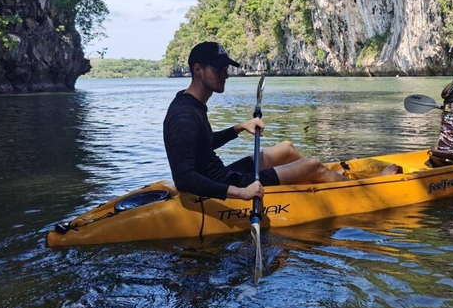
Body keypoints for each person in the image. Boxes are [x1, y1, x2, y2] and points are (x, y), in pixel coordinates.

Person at [164, 42, 400, 202]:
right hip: (225, 184)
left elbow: (203, 144)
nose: (225, 74)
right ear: (198, 70)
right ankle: (365, 189)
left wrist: (239, 127)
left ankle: (328, 180)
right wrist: (242, 193)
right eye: (219, 69)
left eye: (226, 68)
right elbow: (184, 178)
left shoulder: (192, 104)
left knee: (286, 148)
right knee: (313, 164)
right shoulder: (184, 114)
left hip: (221, 174)